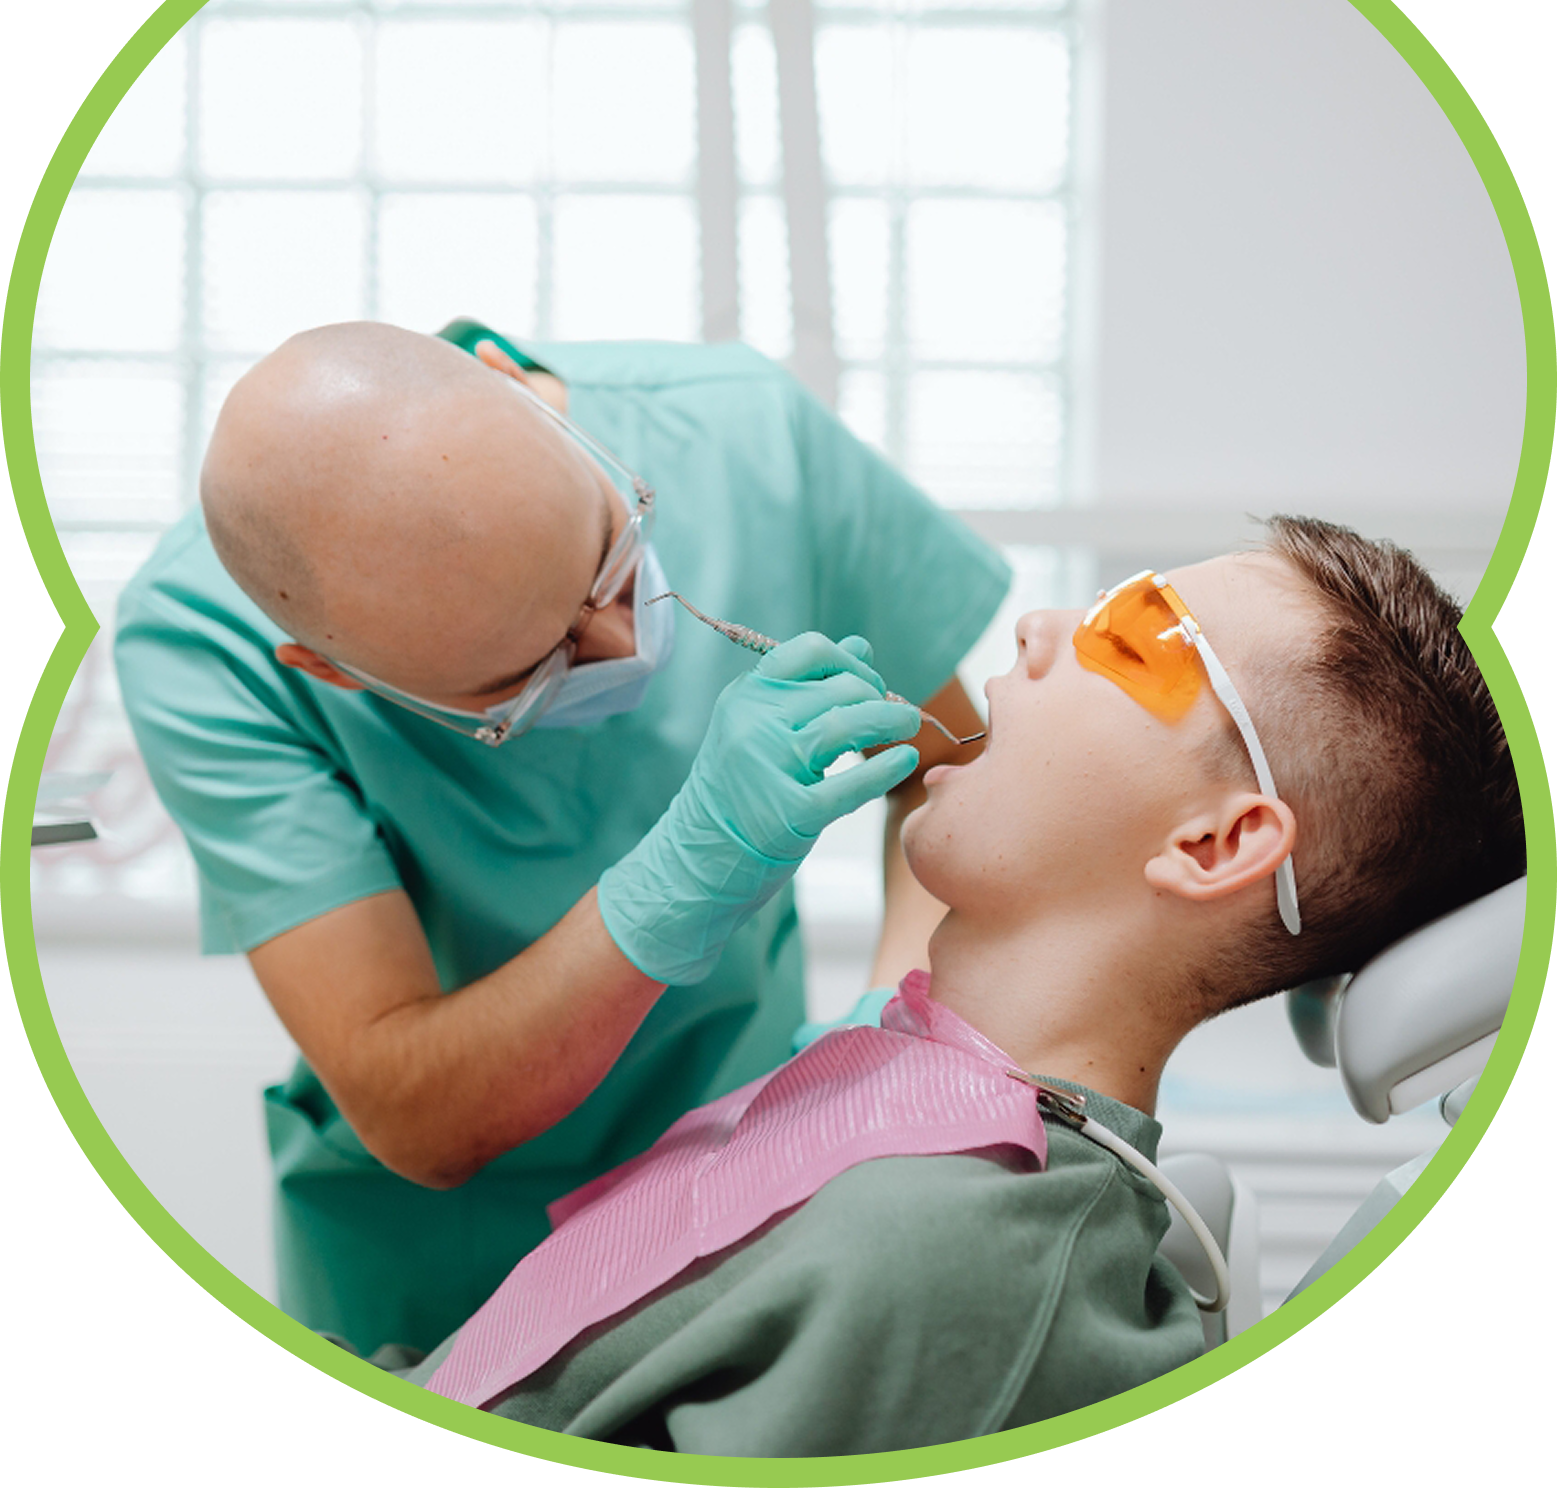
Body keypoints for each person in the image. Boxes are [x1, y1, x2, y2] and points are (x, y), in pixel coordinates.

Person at [350, 517, 1522, 1455]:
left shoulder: (956, 1268)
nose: (1040, 626)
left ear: (1218, 846)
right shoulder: (900, 1123)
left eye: (1137, 637)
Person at [113, 319, 1009, 1357]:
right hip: (444, 1259)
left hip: (748, 1153)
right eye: (534, 668)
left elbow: (948, 764)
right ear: (335, 672)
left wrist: (887, 1024)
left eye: (611, 556)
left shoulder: (746, 434)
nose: (628, 642)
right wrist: (677, 876)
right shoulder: (198, 643)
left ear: (519, 390)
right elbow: (412, 1104)